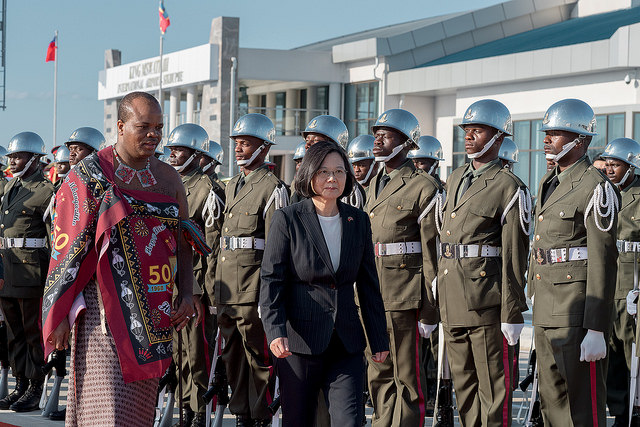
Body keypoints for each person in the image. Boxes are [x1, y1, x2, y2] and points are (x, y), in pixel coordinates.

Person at [42, 91, 196, 426]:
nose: (153, 134)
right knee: (105, 406)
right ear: (121, 126)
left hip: (155, 313)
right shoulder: (89, 175)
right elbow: (67, 250)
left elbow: (183, 241)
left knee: (138, 412)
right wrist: (60, 312)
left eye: (159, 127)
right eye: (144, 126)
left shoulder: (169, 178)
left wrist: (187, 293)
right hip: (102, 311)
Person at [260, 141, 389, 427]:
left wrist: (378, 337)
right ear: (309, 174)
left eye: (339, 172)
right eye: (324, 172)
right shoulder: (288, 219)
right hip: (298, 344)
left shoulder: (358, 221)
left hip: (346, 341)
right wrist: (275, 330)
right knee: (299, 420)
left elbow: (369, 284)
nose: (333, 179)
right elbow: (272, 279)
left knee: (349, 421)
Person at [438, 99, 530, 426]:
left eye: (477, 130)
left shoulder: (509, 187)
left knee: (494, 389)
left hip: (486, 301)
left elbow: (514, 257)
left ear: (498, 136)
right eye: (467, 130)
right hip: (452, 299)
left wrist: (513, 311)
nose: (469, 136)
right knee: (463, 387)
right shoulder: (456, 177)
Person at [528, 98, 619, 426]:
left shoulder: (595, 187)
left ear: (579, 140)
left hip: (577, 314)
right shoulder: (548, 182)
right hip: (546, 310)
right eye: (547, 132)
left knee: (581, 409)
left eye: (556, 133)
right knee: (552, 405)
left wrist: (596, 326)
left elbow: (603, 260)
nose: (546, 139)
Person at [365, 108, 443, 427]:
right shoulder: (374, 184)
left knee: (406, 378)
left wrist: (430, 310)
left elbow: (432, 255)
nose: (378, 140)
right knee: (378, 372)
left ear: (406, 141)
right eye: (376, 134)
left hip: (405, 296)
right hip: (373, 295)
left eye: (387, 135)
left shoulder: (424, 186)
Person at [214, 113, 289, 427]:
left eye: (246, 143)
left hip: (253, 285)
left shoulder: (272, 187)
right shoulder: (234, 185)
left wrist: (269, 295)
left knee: (257, 357)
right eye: (237, 143)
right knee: (232, 355)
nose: (239, 149)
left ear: (264, 147)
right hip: (227, 286)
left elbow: (276, 247)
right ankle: (242, 412)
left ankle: (259, 416)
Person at [167, 123, 219, 427]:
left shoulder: (207, 190)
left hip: (195, 284)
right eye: (171, 150)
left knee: (196, 351)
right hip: (169, 280)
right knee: (178, 352)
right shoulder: (168, 183)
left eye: (179, 150)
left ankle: (198, 411)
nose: (172, 155)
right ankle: (184, 410)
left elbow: (211, 246)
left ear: (196, 153)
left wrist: (201, 290)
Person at [0, 132, 54, 412]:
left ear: (35, 159)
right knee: (14, 333)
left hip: (32, 272)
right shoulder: (11, 186)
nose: (13, 161)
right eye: (11, 156)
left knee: (33, 333)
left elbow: (55, 237)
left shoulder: (47, 191)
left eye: (18, 156)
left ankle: (35, 387)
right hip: (9, 270)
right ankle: (20, 384)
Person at [600, 138, 640, 426]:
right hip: (609, 283)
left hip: (633, 284)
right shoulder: (606, 195)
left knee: (632, 349)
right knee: (612, 352)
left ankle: (636, 409)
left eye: (616, 165)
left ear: (632, 165)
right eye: (608, 164)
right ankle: (618, 411)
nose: (610, 169)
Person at [293, 116, 366, 209]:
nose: (307, 145)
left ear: (333, 145)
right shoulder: (303, 182)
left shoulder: (350, 191)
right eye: (307, 141)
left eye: (315, 141)